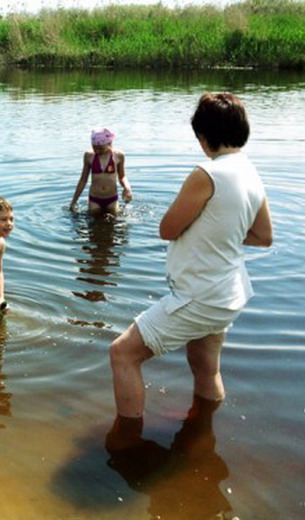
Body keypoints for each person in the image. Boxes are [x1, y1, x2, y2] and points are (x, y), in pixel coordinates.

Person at [108, 92, 273, 449]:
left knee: (123, 353)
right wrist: (220, 230)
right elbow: (263, 236)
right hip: (230, 292)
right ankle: (201, 435)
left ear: (204, 136)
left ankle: (127, 441)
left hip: (200, 294)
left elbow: (167, 228)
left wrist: (204, 225)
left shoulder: (206, 174)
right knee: (205, 365)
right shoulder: (249, 169)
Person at [70, 127, 132, 215]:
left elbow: (122, 177)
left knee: (113, 222)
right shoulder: (89, 156)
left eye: (101, 149)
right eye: (94, 148)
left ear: (109, 143)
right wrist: (74, 201)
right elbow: (83, 180)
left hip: (112, 198)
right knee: (94, 222)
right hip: (95, 199)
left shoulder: (118, 156)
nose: (97, 151)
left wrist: (127, 188)